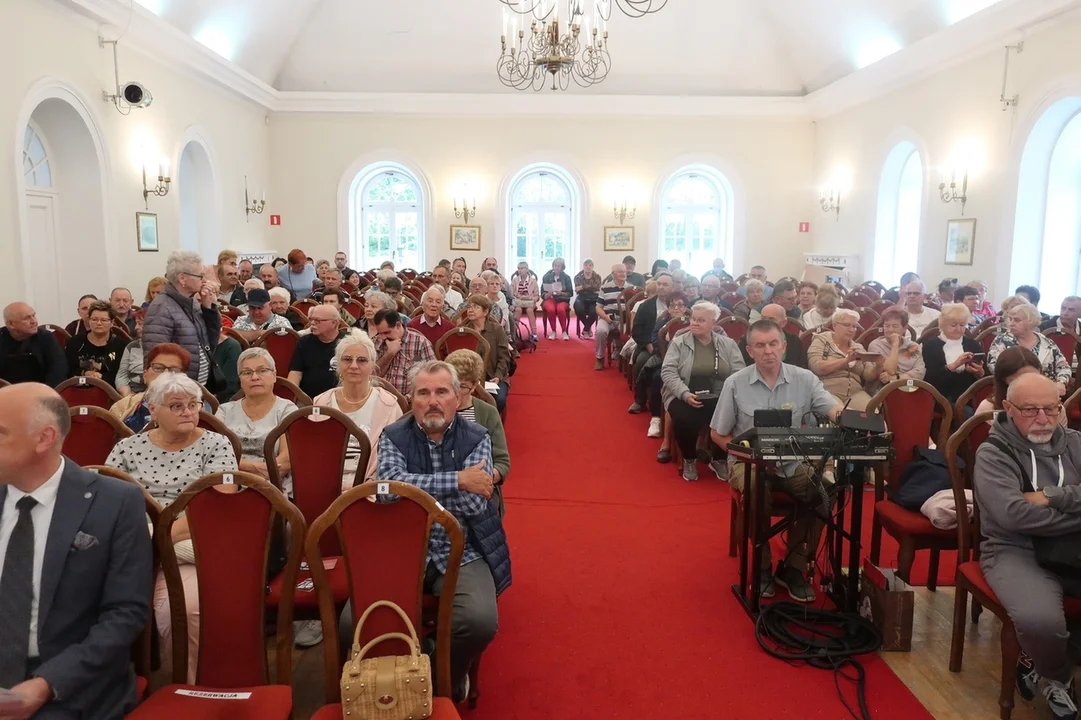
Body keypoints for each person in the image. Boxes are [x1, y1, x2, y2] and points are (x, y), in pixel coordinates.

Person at [358, 360, 507, 703]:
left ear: (457, 397)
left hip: (463, 546)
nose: (433, 400)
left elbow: (474, 506)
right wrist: (457, 479)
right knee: (354, 621)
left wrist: (414, 492)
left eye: (442, 392)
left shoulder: (477, 436)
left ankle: (442, 677)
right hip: (402, 545)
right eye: (423, 393)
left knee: (480, 621)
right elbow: (389, 491)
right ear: (412, 399)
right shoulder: (394, 435)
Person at [0, 383, 152, 719]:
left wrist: (45, 685)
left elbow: (124, 614)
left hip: (66, 684)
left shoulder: (114, 503)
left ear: (44, 439)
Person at [105, 373, 237, 684]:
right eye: (176, 406)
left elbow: (216, 503)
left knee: (183, 609)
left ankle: (186, 686)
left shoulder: (216, 445)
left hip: (185, 545)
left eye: (193, 404)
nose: (189, 412)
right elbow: (108, 502)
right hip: (135, 544)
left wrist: (156, 540)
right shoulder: (128, 448)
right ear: (152, 409)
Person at [711, 320, 843, 602]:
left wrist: (845, 417)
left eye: (773, 344)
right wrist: (745, 453)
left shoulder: (805, 379)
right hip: (749, 462)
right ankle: (761, 566)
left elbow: (831, 407)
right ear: (749, 350)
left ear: (783, 346)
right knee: (756, 487)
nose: (768, 351)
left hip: (793, 461)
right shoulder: (735, 383)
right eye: (760, 345)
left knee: (823, 492)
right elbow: (717, 434)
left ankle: (793, 567)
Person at [973, 373, 1081, 719]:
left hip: (1072, 545)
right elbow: (1013, 516)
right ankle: (1058, 675)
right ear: (1007, 407)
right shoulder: (993, 452)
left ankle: (1044, 659)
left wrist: (1052, 496)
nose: (1043, 419)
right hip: (1013, 549)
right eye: (1030, 410)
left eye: (1051, 409)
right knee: (1039, 620)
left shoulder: (1076, 443)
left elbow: (1029, 507)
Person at [661, 302, 745, 481]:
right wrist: (684, 394)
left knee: (734, 414)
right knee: (684, 418)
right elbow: (668, 372)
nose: (695, 323)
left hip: (721, 394)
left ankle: (719, 459)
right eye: (693, 319)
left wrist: (727, 396)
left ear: (714, 324)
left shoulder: (727, 344)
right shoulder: (679, 343)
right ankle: (689, 458)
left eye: (701, 320)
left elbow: (739, 372)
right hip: (684, 392)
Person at [312, 333, 402, 489]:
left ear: (373, 365)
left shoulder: (388, 404)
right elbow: (312, 453)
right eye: (347, 359)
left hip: (371, 487)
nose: (354, 366)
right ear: (338, 364)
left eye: (362, 360)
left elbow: (394, 459)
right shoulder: (321, 403)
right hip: (325, 486)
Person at [215, 348, 296, 492]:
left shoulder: (287, 410)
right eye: (247, 372)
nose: (254, 377)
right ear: (240, 379)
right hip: (226, 486)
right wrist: (255, 468)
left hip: (273, 488)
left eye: (262, 370)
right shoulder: (224, 411)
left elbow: (285, 462)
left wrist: (236, 466)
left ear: (274, 375)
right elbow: (213, 457)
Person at [143, 250, 222, 390]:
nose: (204, 280)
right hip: (176, 391)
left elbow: (211, 343)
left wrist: (208, 307)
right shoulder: (161, 308)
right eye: (200, 276)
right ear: (182, 279)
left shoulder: (192, 302)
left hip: (198, 388)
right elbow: (156, 361)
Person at [444, 349, 510, 516]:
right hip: (442, 487)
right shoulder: (435, 409)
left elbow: (502, 461)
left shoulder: (487, 413)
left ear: (474, 386)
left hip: (478, 490)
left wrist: (486, 478)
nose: (456, 392)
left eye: (463, 387)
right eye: (451, 385)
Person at [989, 302, 1071, 396]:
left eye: (1017, 320)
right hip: (1013, 392)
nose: (1011, 323)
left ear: (1031, 321)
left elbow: (1064, 367)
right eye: (1010, 319)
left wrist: (1061, 382)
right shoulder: (1001, 341)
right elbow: (995, 368)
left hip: (1047, 392)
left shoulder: (1047, 342)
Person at [974, 346, 1066, 427]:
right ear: (1004, 380)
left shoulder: (1055, 408)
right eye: (1018, 381)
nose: (1028, 386)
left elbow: (1061, 442)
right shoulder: (988, 409)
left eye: (1033, 378)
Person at [109, 343, 192, 432]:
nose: (165, 374)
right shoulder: (121, 407)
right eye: (158, 368)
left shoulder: (193, 410)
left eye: (174, 370)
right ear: (145, 375)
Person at [807, 308, 878, 411]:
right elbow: (817, 367)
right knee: (841, 417)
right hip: (828, 390)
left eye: (854, 326)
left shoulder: (858, 347)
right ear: (835, 325)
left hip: (855, 392)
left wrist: (879, 366)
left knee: (874, 417)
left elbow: (868, 375)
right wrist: (846, 360)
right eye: (847, 325)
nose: (851, 330)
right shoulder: (821, 341)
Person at [631, 273, 675, 438]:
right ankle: (640, 399)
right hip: (648, 346)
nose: (661, 287)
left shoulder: (679, 305)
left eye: (665, 285)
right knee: (642, 361)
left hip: (670, 348)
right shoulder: (646, 305)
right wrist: (650, 347)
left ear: (672, 287)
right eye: (659, 284)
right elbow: (637, 331)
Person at [923, 303, 986, 404]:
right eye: (953, 325)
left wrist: (979, 372)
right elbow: (929, 378)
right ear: (943, 325)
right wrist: (954, 365)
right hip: (940, 397)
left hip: (969, 396)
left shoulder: (972, 344)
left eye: (962, 325)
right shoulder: (931, 345)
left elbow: (985, 376)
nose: (958, 329)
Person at [459, 295, 512, 412]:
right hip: (470, 377)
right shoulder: (463, 331)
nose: (470, 310)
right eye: (469, 307)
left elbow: (504, 357)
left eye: (475, 307)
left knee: (499, 400)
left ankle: (493, 427)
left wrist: (498, 376)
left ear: (485, 311)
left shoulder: (496, 329)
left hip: (494, 375)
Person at [374, 309, 437, 397]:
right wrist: (389, 354)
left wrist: (410, 398)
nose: (383, 337)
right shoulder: (378, 341)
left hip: (411, 400)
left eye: (386, 332)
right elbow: (373, 375)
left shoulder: (420, 342)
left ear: (398, 325)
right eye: (380, 333)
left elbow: (433, 375)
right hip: (380, 397)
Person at [288, 305, 347, 399]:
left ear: (334, 323)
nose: (312, 323)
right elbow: (295, 373)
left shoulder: (348, 343)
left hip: (339, 398)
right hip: (306, 399)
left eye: (318, 320)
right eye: (311, 319)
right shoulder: (304, 342)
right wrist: (292, 396)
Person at [0, 303, 66, 387]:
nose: (34, 321)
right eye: (27, 318)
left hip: (41, 391)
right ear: (10, 324)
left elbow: (58, 367)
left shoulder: (45, 337)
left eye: (34, 315)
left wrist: (47, 392)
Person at [65, 300, 127, 388]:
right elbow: (67, 369)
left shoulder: (120, 345)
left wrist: (101, 377)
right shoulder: (75, 342)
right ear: (89, 320)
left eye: (104, 320)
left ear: (112, 322)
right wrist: (84, 373)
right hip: (78, 389)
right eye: (94, 319)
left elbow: (121, 375)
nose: (98, 323)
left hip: (108, 392)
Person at [867, 307, 925, 393]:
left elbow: (919, 372)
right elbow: (890, 370)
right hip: (882, 390)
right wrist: (895, 345)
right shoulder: (876, 345)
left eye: (895, 326)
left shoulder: (913, 346)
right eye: (887, 326)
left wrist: (895, 378)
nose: (890, 330)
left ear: (905, 328)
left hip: (909, 387)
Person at [738, 304, 807, 369]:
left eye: (771, 320)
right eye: (763, 319)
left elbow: (802, 366)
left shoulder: (794, 341)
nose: (766, 323)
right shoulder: (747, 340)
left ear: (783, 323)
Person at [593, 264, 628, 370]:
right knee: (600, 331)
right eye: (620, 272)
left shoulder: (630, 288)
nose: (623, 274)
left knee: (628, 332)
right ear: (613, 274)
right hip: (607, 318)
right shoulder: (605, 288)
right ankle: (600, 358)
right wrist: (604, 316)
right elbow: (598, 308)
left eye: (624, 271)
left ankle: (624, 359)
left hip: (624, 319)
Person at [115, 310, 146, 397]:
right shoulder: (131, 346)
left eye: (140, 324)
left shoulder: (166, 348)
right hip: (133, 393)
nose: (136, 327)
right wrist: (127, 396)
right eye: (136, 323)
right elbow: (121, 376)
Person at [541, 257, 574, 341]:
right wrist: (548, 293)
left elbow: (570, 293)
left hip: (562, 299)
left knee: (560, 309)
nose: (557, 267)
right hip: (550, 298)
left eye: (559, 266)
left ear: (562, 267)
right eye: (555, 265)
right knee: (551, 309)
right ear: (553, 266)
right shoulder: (546, 277)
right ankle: (553, 331)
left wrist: (561, 293)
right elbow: (542, 293)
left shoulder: (566, 278)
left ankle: (564, 331)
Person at [510, 261, 540, 339]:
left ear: (527, 269)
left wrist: (533, 299)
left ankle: (534, 333)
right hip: (518, 301)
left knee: (530, 310)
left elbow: (537, 294)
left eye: (522, 268)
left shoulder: (533, 281)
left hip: (529, 302)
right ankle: (515, 332)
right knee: (518, 310)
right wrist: (517, 296)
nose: (520, 270)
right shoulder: (515, 280)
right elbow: (511, 293)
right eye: (518, 268)